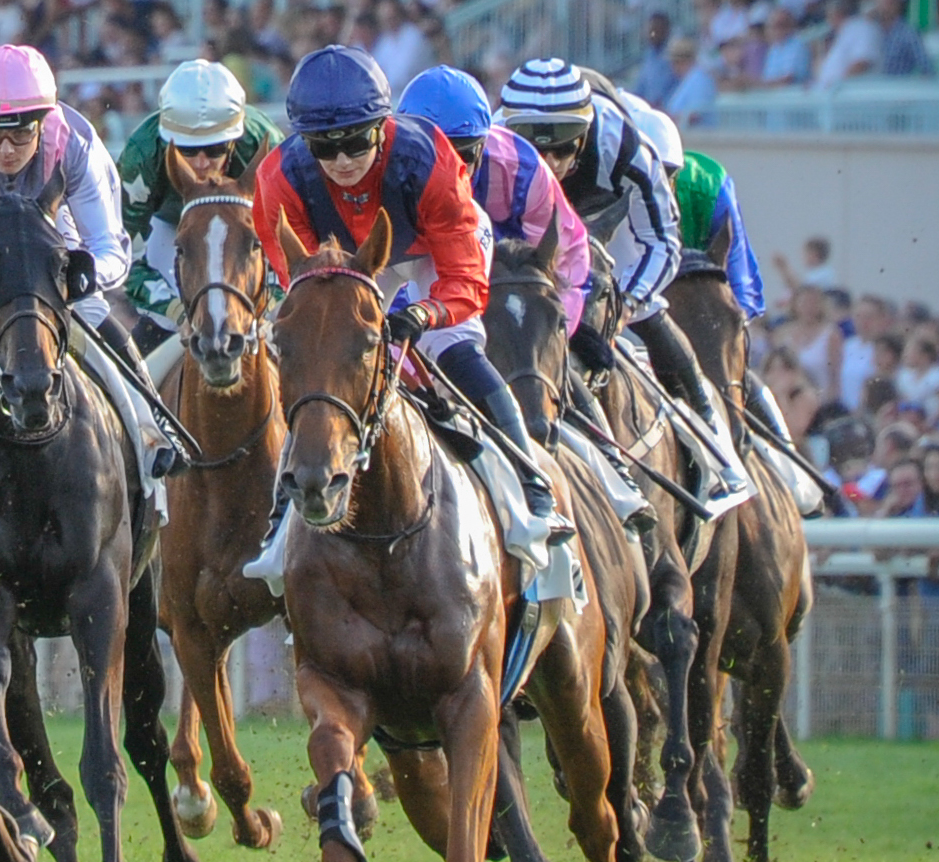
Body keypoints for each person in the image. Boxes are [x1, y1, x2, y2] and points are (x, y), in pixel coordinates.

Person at [249, 46, 564, 565]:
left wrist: (425, 314)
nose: (343, 161)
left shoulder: (429, 160)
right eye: (325, 149)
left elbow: (464, 276)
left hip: (429, 249)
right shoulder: (278, 180)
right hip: (347, 260)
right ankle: (283, 513)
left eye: (355, 142)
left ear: (383, 126)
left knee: (453, 348)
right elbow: (302, 278)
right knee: (320, 360)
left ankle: (533, 487)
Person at [397, 65, 657, 536]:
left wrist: (565, 330)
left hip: (511, 272)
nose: (455, 169)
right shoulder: (387, 174)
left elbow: (572, 255)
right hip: (435, 273)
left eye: (466, 154)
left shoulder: (520, 166)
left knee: (543, 360)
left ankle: (614, 476)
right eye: (438, 156)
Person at [496, 57, 754, 511]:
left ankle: (716, 444)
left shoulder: (623, 143)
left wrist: (629, 304)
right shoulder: (490, 145)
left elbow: (661, 242)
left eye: (563, 148)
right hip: (524, 221)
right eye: (537, 149)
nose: (551, 162)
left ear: (587, 129)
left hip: (604, 215)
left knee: (643, 308)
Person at [0, 45, 157, 461]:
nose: (6, 149)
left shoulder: (75, 142)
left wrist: (84, 276)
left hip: (49, 233)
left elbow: (110, 247)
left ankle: (151, 438)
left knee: (93, 315)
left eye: (21, 133)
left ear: (44, 122)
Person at [115, 59, 285, 351]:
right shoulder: (141, 155)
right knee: (161, 329)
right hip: (171, 226)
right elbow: (125, 258)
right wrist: (176, 312)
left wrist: (268, 300)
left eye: (216, 149)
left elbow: (285, 239)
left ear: (234, 140)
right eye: (188, 151)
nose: (202, 162)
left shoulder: (262, 144)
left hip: (247, 227)